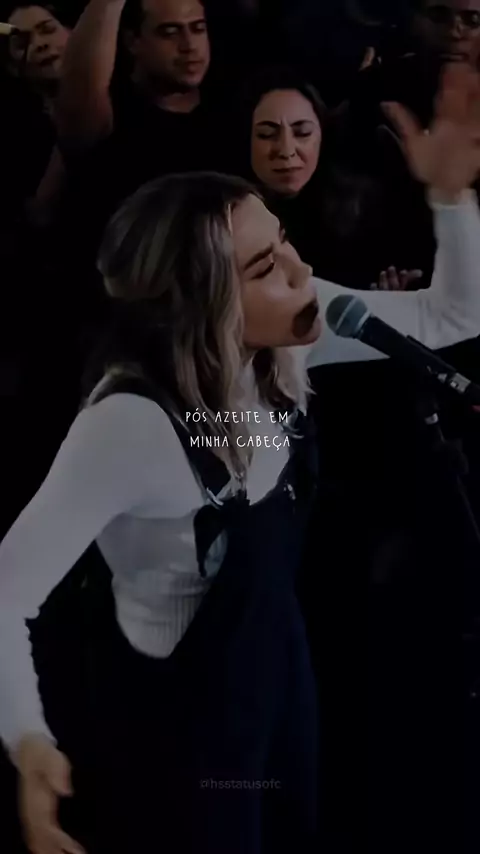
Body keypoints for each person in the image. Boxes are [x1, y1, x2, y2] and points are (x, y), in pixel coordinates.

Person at [2, 62, 480, 854]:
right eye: (266, 268)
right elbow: (9, 588)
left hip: (277, 664)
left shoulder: (287, 329)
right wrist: (27, 740)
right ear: (203, 302)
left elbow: (450, 316)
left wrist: (452, 199)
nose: (303, 275)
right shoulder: (131, 424)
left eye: (284, 245)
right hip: (184, 718)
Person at [236, 66, 423, 289]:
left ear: (322, 135)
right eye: (267, 134)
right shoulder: (227, 218)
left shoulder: (362, 205)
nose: (286, 150)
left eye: (303, 133)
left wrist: (386, 297)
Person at [0, 2, 72, 227]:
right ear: (12, 67)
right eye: (22, 43)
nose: (40, 44)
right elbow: (37, 217)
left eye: (48, 30)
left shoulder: (127, 97)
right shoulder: (14, 139)